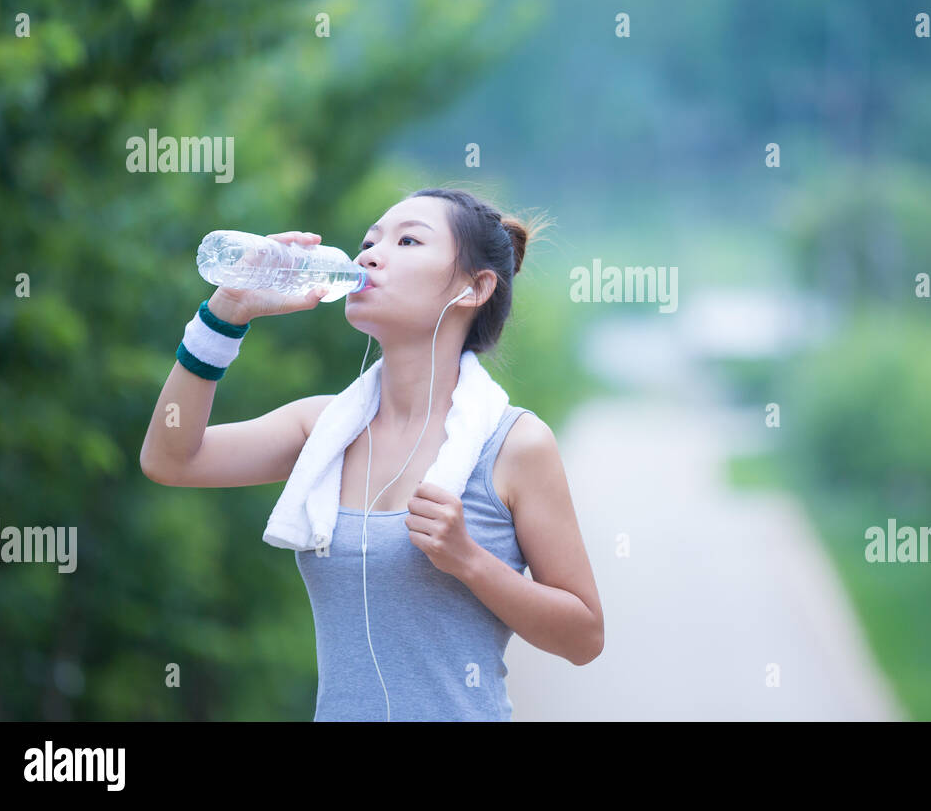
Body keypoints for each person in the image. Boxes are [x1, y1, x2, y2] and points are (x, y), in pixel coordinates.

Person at [139, 187, 603, 720]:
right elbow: (170, 459)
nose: (368, 255)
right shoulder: (324, 428)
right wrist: (226, 314)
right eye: (368, 242)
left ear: (475, 287)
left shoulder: (513, 444)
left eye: (408, 240)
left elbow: (584, 636)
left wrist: (470, 561)